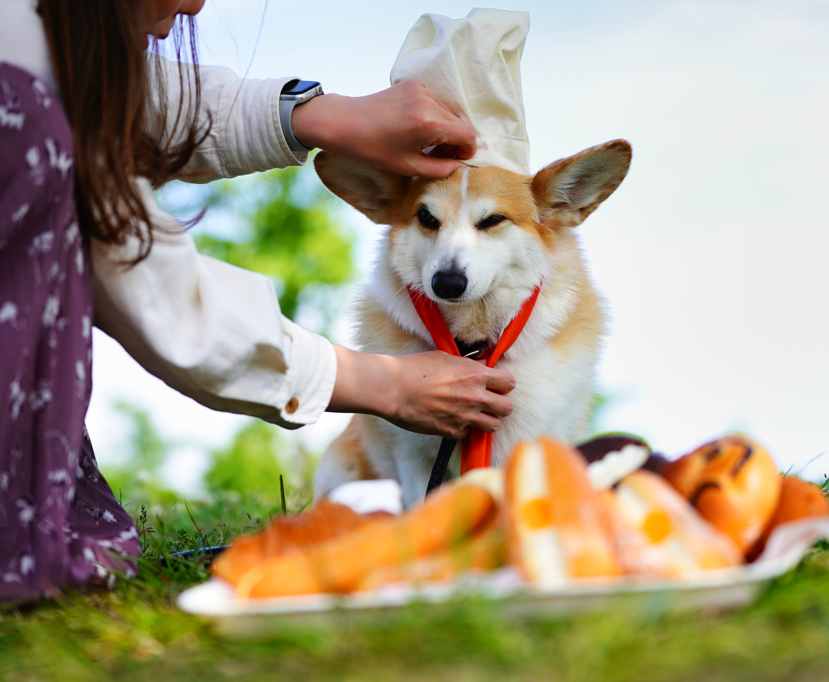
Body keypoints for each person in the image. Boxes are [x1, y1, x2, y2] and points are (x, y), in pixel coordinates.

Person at [0, 0, 516, 603]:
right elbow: (160, 293)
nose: (196, 4)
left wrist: (312, 114)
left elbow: (120, 92)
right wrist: (386, 384)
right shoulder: (33, 105)